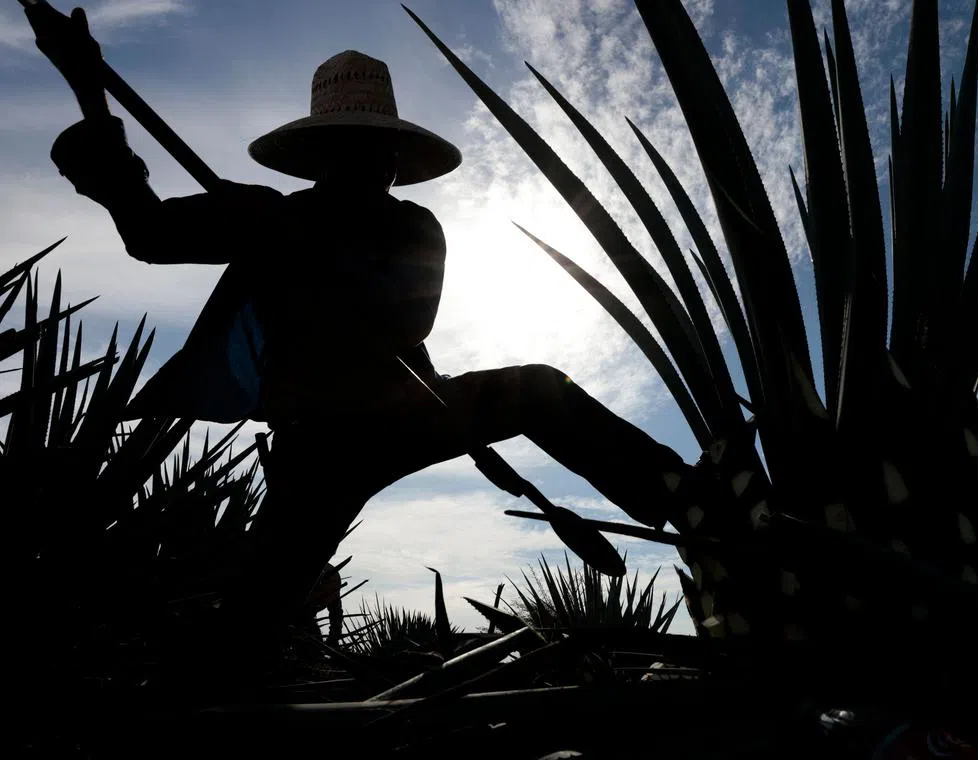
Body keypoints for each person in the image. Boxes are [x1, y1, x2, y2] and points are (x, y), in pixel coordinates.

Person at [30, 7, 692, 626]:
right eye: (351, 148)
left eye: (377, 150)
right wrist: (89, 88)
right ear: (322, 158)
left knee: (540, 389)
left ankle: (689, 499)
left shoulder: (411, 227)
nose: (371, 162)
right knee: (250, 619)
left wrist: (318, 257)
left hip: (401, 415)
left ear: (395, 161)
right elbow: (148, 233)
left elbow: (410, 325)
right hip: (313, 444)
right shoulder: (269, 216)